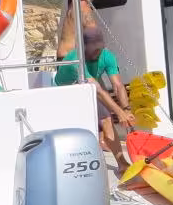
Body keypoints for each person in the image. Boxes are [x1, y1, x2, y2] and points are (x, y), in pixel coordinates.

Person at [54, 26, 133, 164]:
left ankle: (122, 164)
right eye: (93, 48)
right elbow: (97, 91)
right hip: (64, 91)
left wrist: (126, 109)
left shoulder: (107, 56)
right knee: (97, 118)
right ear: (83, 46)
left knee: (106, 119)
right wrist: (119, 112)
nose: (97, 52)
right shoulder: (75, 59)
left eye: (99, 48)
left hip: (87, 86)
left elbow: (118, 85)